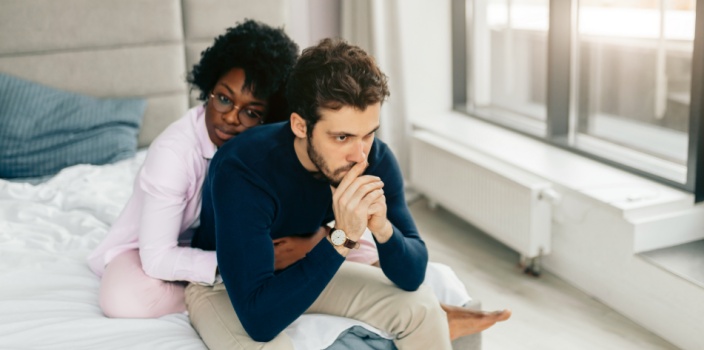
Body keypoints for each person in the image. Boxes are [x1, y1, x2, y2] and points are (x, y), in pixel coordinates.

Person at [187, 38, 510, 349]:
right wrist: (341, 238)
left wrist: (383, 230)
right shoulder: (245, 169)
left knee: (423, 307)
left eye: (368, 134)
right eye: (342, 137)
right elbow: (259, 321)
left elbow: (412, 276)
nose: (360, 155)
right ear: (300, 126)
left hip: (303, 268)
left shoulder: (376, 158)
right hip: (224, 286)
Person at [86, 20, 299, 318]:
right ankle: (227, 288)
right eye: (223, 99)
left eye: (251, 112)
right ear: (208, 89)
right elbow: (157, 258)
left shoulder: (266, 147)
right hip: (149, 250)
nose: (231, 119)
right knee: (122, 300)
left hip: (226, 242)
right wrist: (247, 262)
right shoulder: (172, 153)